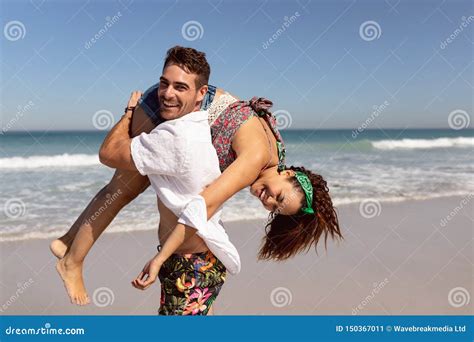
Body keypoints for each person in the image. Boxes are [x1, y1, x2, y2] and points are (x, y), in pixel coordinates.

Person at [52, 45, 343, 307]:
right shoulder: (255, 161)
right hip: (175, 102)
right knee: (125, 188)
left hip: (191, 97)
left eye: (275, 209)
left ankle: (68, 240)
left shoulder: (274, 157)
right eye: (278, 196)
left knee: (126, 186)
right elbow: (205, 204)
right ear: (288, 173)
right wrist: (161, 259)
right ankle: (72, 262)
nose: (268, 202)